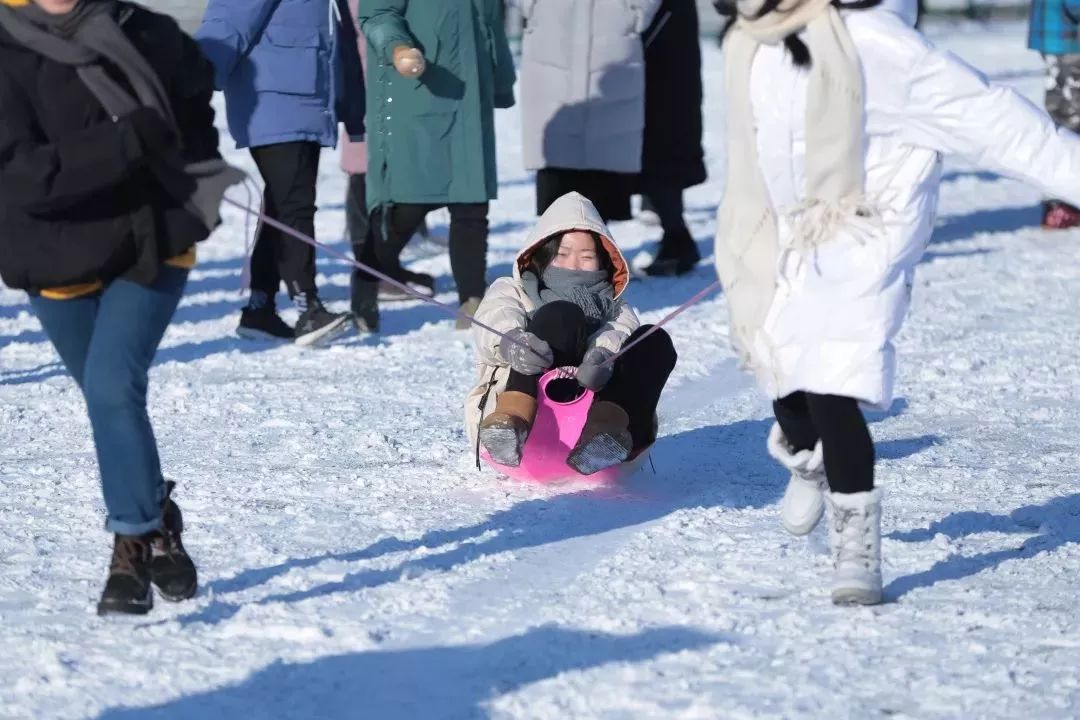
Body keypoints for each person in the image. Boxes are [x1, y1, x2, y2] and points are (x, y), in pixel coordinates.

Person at [715, 0, 1080, 605]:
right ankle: (809, 458)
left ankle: (855, 541)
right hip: (786, 230)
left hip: (868, 233)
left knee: (833, 375)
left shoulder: (880, 43)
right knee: (781, 371)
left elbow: (999, 124)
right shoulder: (752, 37)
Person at [0, 0, 233, 614]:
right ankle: (159, 516)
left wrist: (190, 192)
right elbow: (21, 176)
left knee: (111, 388)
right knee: (113, 404)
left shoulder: (148, 32)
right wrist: (129, 141)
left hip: (149, 246)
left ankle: (131, 545)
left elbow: (195, 118)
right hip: (55, 258)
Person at [466, 192, 678, 475]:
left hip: (591, 419)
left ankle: (605, 437)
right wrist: (512, 343)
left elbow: (618, 333)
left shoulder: (616, 308)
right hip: (530, 425)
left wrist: (603, 359)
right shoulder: (513, 290)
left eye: (586, 256)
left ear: (604, 262)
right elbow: (494, 318)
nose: (574, 265)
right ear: (543, 256)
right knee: (561, 315)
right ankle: (511, 421)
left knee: (653, 339)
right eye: (562, 254)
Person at [197, 0, 365, 345]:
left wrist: (351, 106)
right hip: (272, 98)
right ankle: (308, 307)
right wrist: (192, 78)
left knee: (282, 203)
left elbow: (339, 38)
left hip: (307, 98)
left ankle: (261, 307)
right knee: (295, 205)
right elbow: (228, 20)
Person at [360, 0, 516, 329]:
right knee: (406, 205)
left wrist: (501, 80)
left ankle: (472, 296)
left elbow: (491, 24)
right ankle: (364, 287)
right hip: (420, 91)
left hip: (471, 96)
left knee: (472, 204)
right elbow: (377, 14)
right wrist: (397, 46)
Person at [519, 0, 662, 223]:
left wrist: (636, 11)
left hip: (612, 38)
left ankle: (598, 256)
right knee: (558, 200)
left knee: (603, 198)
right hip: (553, 34)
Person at [638, 0, 708, 277]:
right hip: (665, 57)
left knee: (662, 147)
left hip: (663, 59)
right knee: (661, 149)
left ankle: (677, 240)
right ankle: (675, 237)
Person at [1029, 0, 1080, 228]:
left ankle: (1061, 202)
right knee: (1069, 120)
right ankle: (1062, 204)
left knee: (1064, 117)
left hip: (1063, 35)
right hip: (1068, 37)